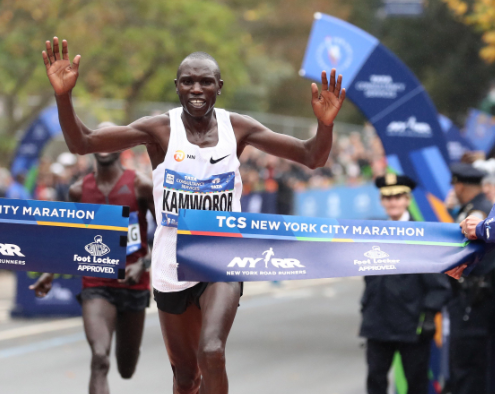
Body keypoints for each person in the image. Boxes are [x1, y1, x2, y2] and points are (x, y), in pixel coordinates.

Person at [41, 36, 346, 393]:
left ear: (219, 86)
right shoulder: (159, 130)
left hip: (221, 252)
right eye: (188, 81)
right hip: (172, 258)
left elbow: (312, 157)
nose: (196, 88)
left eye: (205, 81)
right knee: (186, 376)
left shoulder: (239, 127)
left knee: (212, 351)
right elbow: (83, 143)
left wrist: (325, 125)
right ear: (177, 87)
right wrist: (64, 96)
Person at [30, 130, 154, 394]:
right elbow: (68, 236)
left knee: (126, 369)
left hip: (134, 285)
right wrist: (50, 273)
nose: (105, 145)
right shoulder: (79, 190)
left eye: (112, 140)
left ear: (122, 147)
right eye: (100, 139)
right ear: (92, 147)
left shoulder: (141, 185)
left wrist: (142, 264)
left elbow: (166, 238)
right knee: (99, 358)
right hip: (96, 284)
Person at [360, 174, 450, 394]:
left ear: (408, 199)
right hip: (378, 322)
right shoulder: (373, 234)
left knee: (416, 383)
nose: (393, 202)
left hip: (412, 324)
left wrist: (429, 315)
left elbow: (439, 284)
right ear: (382, 201)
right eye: (387, 197)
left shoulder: (423, 234)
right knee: (375, 381)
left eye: (398, 196)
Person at [443, 163, 495, 394]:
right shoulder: (475, 208)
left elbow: (477, 226)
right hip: (473, 297)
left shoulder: (478, 211)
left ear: (459, 185)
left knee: (468, 365)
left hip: (475, 299)